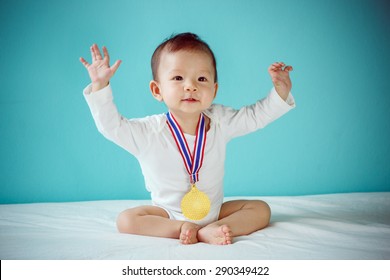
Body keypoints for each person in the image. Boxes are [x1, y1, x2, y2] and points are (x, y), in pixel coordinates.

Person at [80, 32, 295, 245]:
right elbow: (111, 126)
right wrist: (100, 86)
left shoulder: (220, 121)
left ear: (214, 89)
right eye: (178, 78)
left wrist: (280, 93)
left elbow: (255, 117)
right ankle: (182, 228)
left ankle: (214, 229)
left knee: (260, 209)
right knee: (126, 220)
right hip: (166, 215)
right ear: (157, 90)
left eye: (201, 79)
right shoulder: (149, 132)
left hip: (214, 212)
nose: (190, 86)